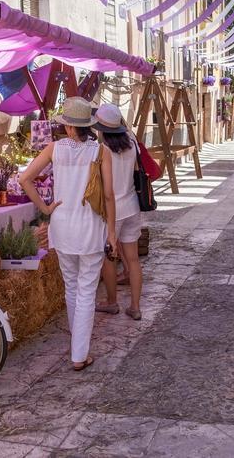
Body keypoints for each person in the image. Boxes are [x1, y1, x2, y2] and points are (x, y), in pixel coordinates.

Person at [19, 96, 116, 371]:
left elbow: (24, 179)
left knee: (71, 288)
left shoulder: (54, 149)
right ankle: (79, 355)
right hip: (91, 226)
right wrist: (111, 232)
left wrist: (45, 208)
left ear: (70, 127)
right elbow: (108, 196)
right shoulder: (100, 151)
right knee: (86, 291)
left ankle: (78, 345)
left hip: (62, 225)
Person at [92, 104, 143, 320]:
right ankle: (135, 306)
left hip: (112, 210)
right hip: (132, 205)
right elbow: (135, 171)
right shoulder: (132, 143)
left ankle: (112, 302)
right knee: (132, 259)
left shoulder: (101, 150)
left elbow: (105, 188)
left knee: (110, 258)